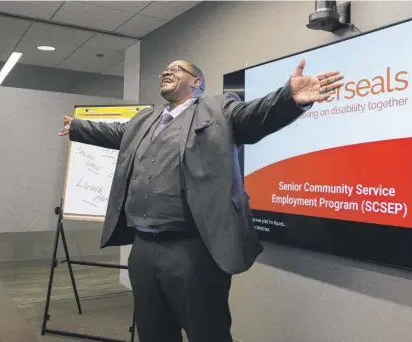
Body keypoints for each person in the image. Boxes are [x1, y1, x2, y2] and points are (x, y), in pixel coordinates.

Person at [58, 59, 343, 342]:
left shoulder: (219, 108)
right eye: (164, 68)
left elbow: (254, 116)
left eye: (176, 68)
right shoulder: (144, 119)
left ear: (196, 81)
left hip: (193, 250)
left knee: (207, 332)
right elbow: (116, 134)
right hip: (143, 248)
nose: (166, 71)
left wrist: (288, 100)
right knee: (153, 331)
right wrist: (77, 127)